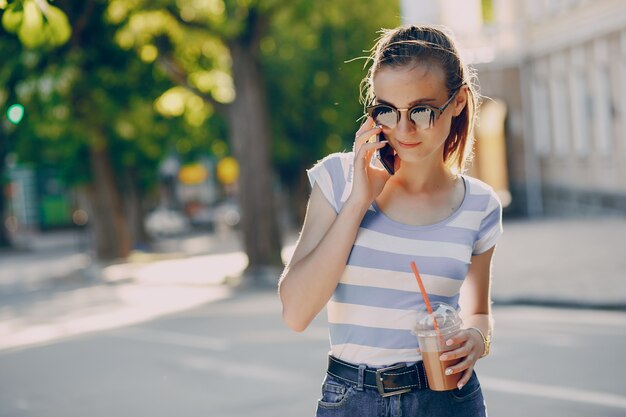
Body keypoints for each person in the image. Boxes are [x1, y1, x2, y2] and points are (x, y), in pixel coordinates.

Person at [278, 24, 502, 417]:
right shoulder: (336, 179)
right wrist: (359, 199)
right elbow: (295, 313)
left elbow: (478, 313)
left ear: (459, 102)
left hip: (447, 399)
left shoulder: (480, 205)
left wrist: (476, 339)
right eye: (386, 110)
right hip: (352, 400)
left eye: (421, 110)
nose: (403, 130)